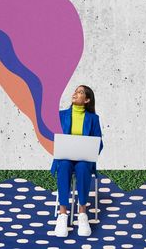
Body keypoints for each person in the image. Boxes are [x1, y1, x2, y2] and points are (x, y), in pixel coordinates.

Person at [50, 85, 103, 237]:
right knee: (64, 166)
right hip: (65, 156)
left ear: (86, 100)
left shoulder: (93, 119)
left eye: (80, 92)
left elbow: (99, 142)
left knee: (82, 168)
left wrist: (90, 151)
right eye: (75, 91)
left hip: (84, 158)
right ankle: (62, 215)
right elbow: (54, 136)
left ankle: (82, 214)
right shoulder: (61, 115)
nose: (75, 93)